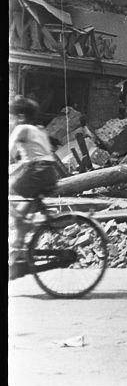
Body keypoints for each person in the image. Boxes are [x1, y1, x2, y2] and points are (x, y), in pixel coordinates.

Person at [8, 96, 59, 280]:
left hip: (36, 172)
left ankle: (22, 230)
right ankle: (17, 251)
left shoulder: (21, 129)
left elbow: (10, 153)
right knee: (21, 213)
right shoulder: (39, 129)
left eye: (10, 117)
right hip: (48, 172)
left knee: (12, 199)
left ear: (20, 117)